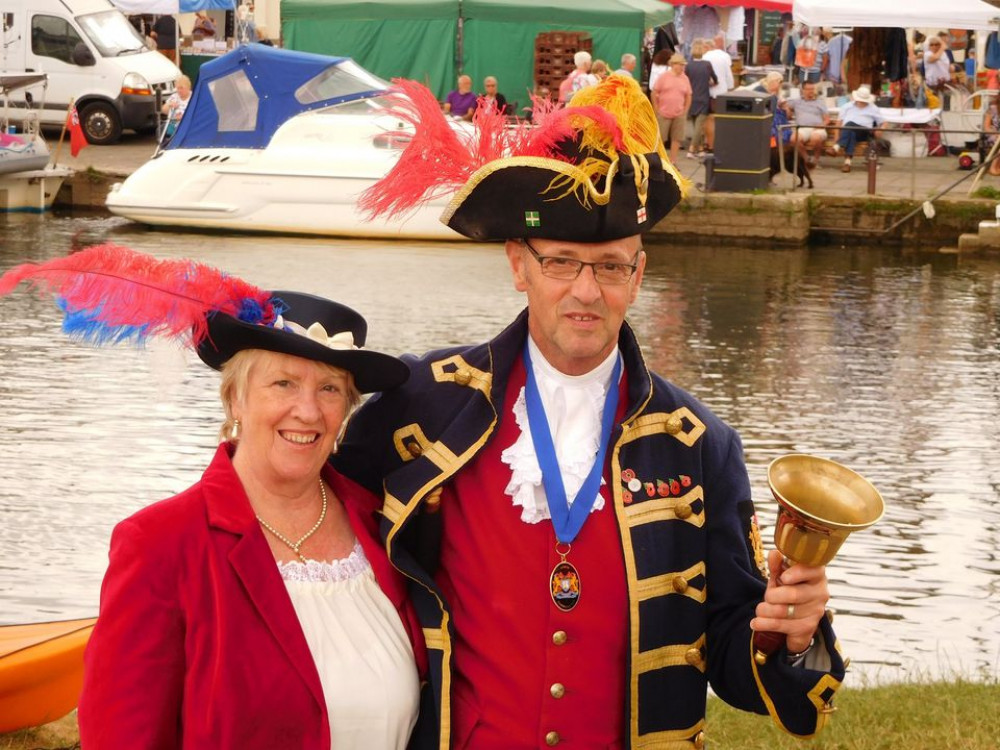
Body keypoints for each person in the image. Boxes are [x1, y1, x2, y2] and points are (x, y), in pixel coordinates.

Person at [350, 73, 847, 749]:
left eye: (610, 267)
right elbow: (307, 515)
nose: (586, 291)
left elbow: (733, 657)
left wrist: (790, 637)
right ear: (518, 266)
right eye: (561, 263)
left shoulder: (699, 445)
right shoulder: (423, 402)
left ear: (638, 276)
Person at [0, 247, 429, 748]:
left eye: (330, 389)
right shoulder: (160, 544)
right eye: (283, 383)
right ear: (235, 399)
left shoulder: (385, 521)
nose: (308, 411)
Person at [831, 84, 886, 172]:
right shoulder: (847, 106)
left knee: (849, 124)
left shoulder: (873, 108)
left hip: (865, 132)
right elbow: (839, 122)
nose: (861, 101)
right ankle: (847, 163)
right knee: (851, 133)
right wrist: (836, 134)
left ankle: (837, 146)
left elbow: (883, 122)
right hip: (849, 132)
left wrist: (880, 129)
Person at [652, 53, 692, 164]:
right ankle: (660, 161)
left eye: (683, 65)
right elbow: (654, 91)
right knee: (661, 138)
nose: (683, 67)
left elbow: (688, 95)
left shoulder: (685, 78)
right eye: (681, 65)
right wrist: (656, 108)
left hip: (679, 113)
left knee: (677, 138)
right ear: (674, 65)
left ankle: (673, 161)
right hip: (664, 112)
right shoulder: (664, 77)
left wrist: (685, 110)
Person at [685, 40, 717, 158]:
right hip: (704, 97)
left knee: (696, 125)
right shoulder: (707, 64)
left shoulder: (688, 66)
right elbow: (715, 79)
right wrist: (710, 83)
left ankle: (700, 148)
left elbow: (686, 80)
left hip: (692, 98)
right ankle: (692, 149)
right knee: (699, 125)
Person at [787, 80, 831, 167]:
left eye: (812, 89)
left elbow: (827, 119)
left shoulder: (820, 102)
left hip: (817, 128)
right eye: (808, 89)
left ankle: (816, 160)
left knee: (816, 137)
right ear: (802, 90)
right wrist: (787, 109)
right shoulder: (796, 102)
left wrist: (823, 124)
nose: (811, 91)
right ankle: (807, 159)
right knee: (793, 139)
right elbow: (785, 107)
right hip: (802, 128)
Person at [703, 34, 735, 152]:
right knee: (720, 119)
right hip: (722, 91)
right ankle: (719, 143)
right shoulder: (724, 57)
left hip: (708, 92)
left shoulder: (705, 56)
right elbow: (729, 76)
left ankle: (709, 144)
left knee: (708, 119)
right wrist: (730, 88)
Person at [161, 74, 192, 143]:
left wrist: (184, 117)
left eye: (181, 88)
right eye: (177, 88)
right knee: (161, 129)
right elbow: (163, 109)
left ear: (188, 87)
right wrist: (169, 105)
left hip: (187, 124)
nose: (179, 90)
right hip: (173, 124)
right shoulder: (174, 96)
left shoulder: (193, 98)